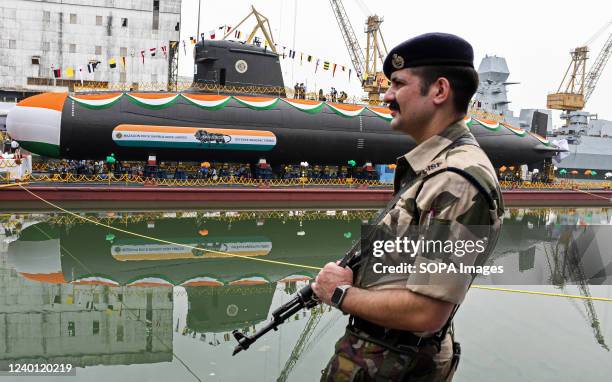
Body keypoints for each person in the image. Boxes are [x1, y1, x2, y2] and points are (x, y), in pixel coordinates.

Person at [313, 33, 504, 381]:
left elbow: (426, 311)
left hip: (395, 365)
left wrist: (339, 293)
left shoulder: (456, 179)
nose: (386, 95)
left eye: (398, 84)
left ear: (440, 91)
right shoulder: (433, 169)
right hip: (382, 359)